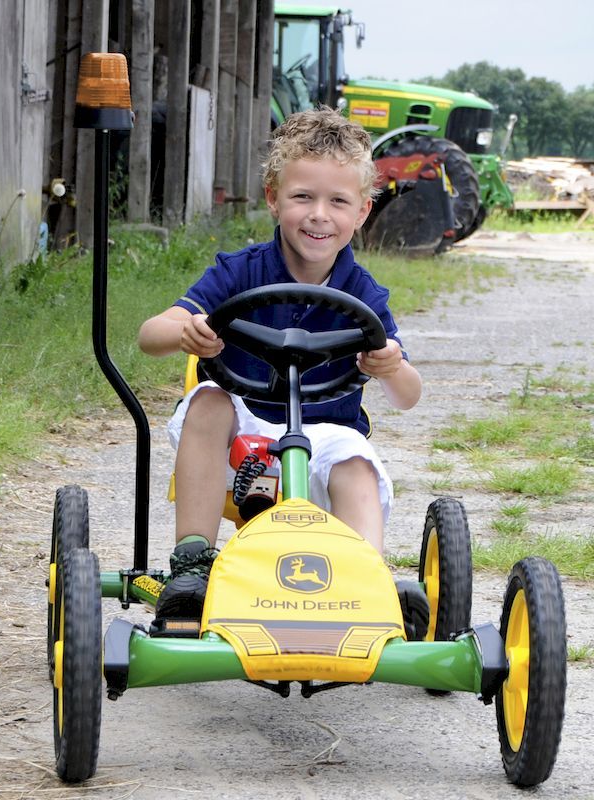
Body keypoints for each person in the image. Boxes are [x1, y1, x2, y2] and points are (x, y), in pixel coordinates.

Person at [137, 107, 428, 637]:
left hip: (325, 435)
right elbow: (149, 334)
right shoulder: (238, 272)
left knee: (358, 465)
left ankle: (366, 582)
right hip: (241, 435)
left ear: (362, 210)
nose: (319, 215)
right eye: (302, 197)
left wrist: (390, 364)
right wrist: (186, 330)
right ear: (274, 197)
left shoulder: (363, 293)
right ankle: (194, 566)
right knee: (207, 400)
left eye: (338, 201)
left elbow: (408, 395)